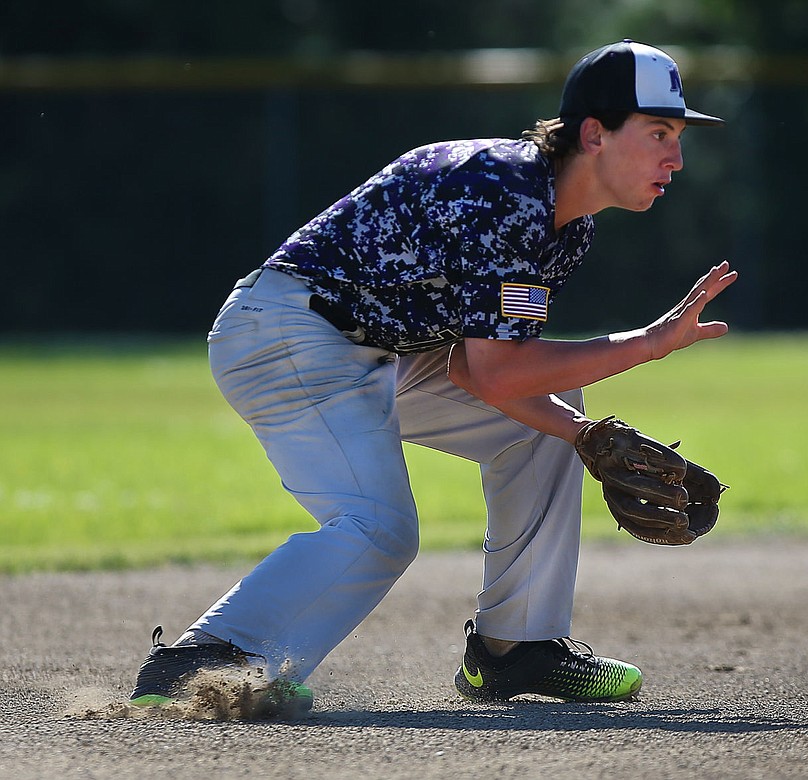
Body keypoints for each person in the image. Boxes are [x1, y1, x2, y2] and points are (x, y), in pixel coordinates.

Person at [130, 39, 737, 712]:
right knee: (380, 527)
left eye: (678, 136)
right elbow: (498, 372)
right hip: (288, 332)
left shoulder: (566, 226)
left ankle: (517, 648)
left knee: (555, 413)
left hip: (376, 353)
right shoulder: (504, 189)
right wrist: (646, 344)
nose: (675, 157)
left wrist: (583, 433)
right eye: (659, 132)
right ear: (594, 133)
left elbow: (481, 371)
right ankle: (200, 659)